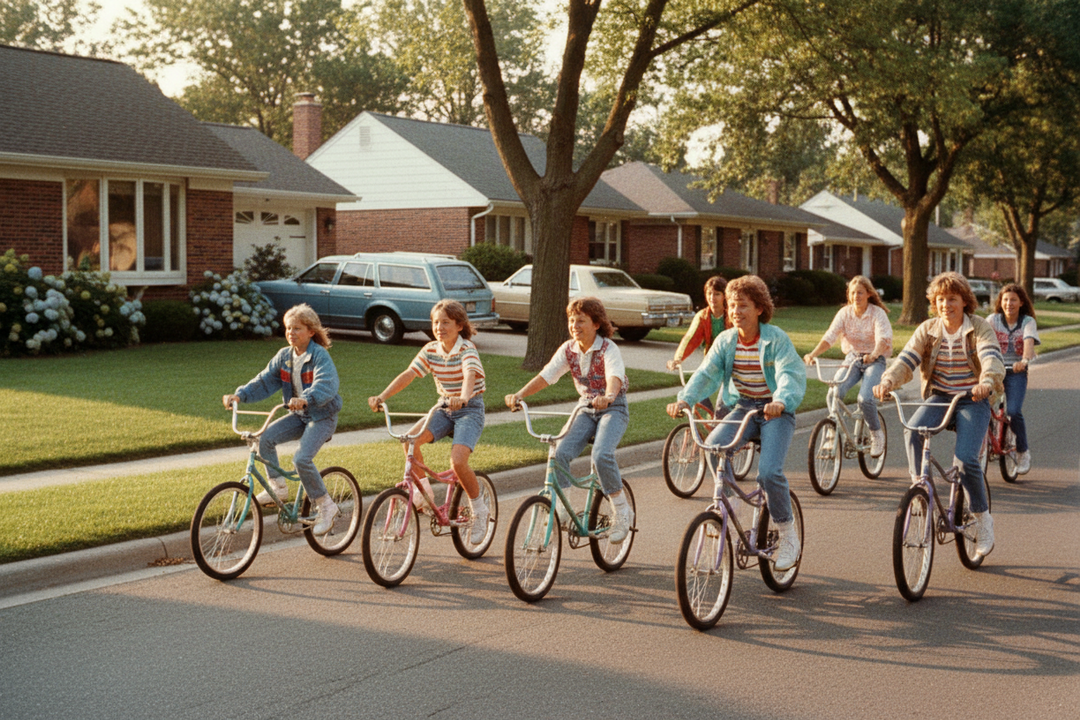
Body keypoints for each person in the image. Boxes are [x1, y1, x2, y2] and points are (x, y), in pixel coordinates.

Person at [666, 275, 807, 570]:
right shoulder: (726, 340)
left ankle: (788, 534)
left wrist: (781, 400)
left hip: (775, 413)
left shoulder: (775, 338)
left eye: (742, 305)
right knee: (713, 445)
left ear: (759, 308)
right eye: (732, 306)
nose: (735, 312)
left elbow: (789, 375)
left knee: (768, 473)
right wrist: (685, 399)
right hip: (743, 407)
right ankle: (732, 504)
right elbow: (706, 374)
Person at [874, 271, 1004, 559]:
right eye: (941, 299)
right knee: (912, 430)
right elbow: (907, 358)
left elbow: (991, 357)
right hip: (940, 397)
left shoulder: (979, 327)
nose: (946, 305)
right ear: (934, 303)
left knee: (967, 459)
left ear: (965, 301)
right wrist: (887, 381)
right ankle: (920, 489)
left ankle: (983, 520)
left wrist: (987, 381)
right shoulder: (928, 329)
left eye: (953, 299)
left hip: (973, 398)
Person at [504, 297, 633, 543]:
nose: (574, 325)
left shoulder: (608, 348)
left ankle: (622, 512)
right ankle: (561, 511)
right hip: (585, 408)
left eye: (581, 321)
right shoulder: (568, 349)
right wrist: (520, 395)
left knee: (601, 455)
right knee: (559, 453)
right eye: (572, 321)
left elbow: (614, 376)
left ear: (596, 324)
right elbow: (547, 376)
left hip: (613, 408)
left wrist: (608, 396)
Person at [368, 300, 490, 545]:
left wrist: (464, 398)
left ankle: (480, 511)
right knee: (410, 441)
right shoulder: (431, 349)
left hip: (469, 409)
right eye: (436, 322)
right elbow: (409, 374)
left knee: (457, 461)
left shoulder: (467, 349)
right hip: (444, 408)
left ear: (459, 325)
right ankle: (423, 494)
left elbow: (470, 375)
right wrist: (382, 396)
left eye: (445, 322)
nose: (439, 327)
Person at [222, 303, 342, 535]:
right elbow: (265, 380)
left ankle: (327, 506)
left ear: (311, 332)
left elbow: (326, 384)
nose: (291, 333)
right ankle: (277, 486)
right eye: (288, 328)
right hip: (298, 415)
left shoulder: (319, 356)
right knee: (265, 438)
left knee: (301, 459)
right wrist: (240, 395)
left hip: (322, 416)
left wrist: (306, 398)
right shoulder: (284, 356)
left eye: (297, 328)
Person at [803, 275, 893, 457]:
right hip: (852, 359)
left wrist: (874, 354)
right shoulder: (844, 313)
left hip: (874, 360)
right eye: (852, 293)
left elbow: (883, 339)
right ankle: (832, 431)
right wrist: (813, 354)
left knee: (865, 399)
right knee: (834, 393)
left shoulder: (877, 313)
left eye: (860, 292)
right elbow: (830, 337)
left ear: (868, 294)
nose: (855, 296)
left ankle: (876, 434)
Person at [987, 283, 1039, 474]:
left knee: (1014, 411)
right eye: (1005, 299)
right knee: (980, 404)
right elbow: (981, 339)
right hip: (994, 370)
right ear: (1000, 302)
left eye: (1013, 300)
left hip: (1015, 371)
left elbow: (1029, 342)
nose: (1009, 303)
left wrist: (1024, 360)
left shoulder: (1027, 322)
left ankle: (1022, 451)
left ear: (1021, 302)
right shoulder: (992, 320)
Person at [667, 275, 731, 415]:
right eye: (709, 293)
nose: (712, 298)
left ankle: (720, 425)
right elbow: (690, 338)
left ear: (725, 296)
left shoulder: (732, 315)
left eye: (717, 294)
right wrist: (678, 359)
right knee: (695, 389)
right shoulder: (703, 316)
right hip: (712, 361)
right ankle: (710, 421)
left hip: (732, 363)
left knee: (725, 403)